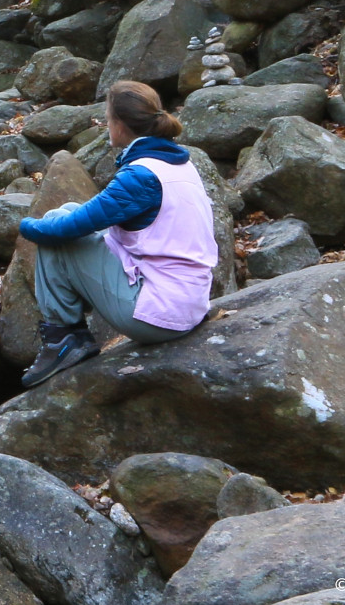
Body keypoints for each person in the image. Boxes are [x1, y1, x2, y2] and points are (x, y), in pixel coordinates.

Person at [15, 80, 217, 388]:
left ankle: (62, 337)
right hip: (188, 300)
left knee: (57, 221)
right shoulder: (177, 163)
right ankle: (69, 332)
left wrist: (22, 226)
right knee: (69, 208)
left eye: (108, 118)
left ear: (120, 124)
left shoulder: (141, 176)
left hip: (159, 315)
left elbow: (67, 229)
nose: (106, 124)